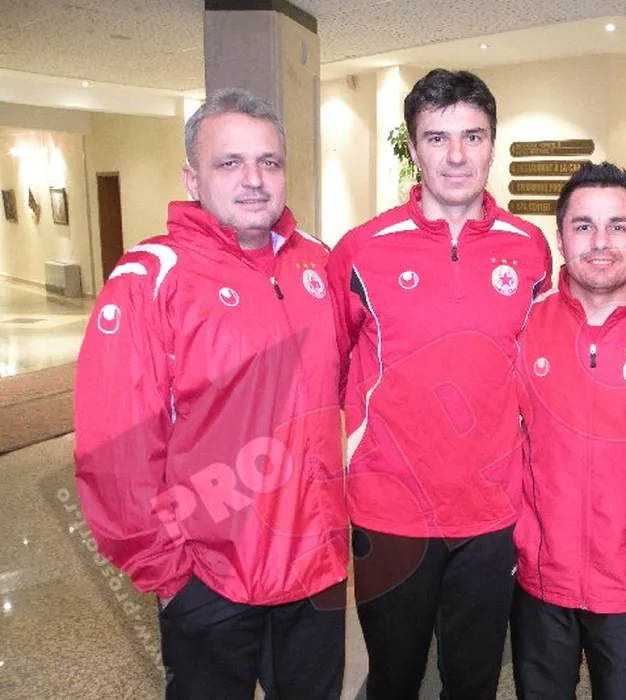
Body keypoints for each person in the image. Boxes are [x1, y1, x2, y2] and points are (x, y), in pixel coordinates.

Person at [74, 87, 348, 700]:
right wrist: (171, 574)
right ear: (192, 178)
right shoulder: (150, 279)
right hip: (212, 579)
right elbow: (115, 453)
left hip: (315, 570)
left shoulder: (317, 263)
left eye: (269, 162)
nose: (254, 179)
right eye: (230, 163)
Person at [328, 69, 552, 700]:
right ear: (414, 147)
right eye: (437, 137)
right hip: (389, 512)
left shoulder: (531, 249)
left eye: (472, 136)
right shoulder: (362, 251)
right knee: (393, 679)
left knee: (474, 682)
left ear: (492, 144)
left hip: (491, 513)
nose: (456, 156)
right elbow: (329, 366)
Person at [510, 162, 626, 700]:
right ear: (561, 237)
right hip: (541, 575)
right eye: (584, 226)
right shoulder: (523, 325)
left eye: (618, 225)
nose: (601, 242)